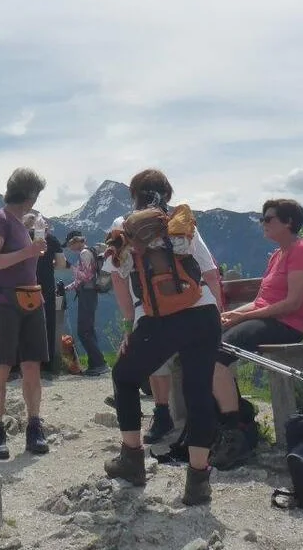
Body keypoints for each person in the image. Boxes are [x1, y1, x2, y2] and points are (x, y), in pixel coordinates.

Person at [102, 169, 224, 506]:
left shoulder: (123, 225)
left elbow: (117, 281)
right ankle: (198, 482)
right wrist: (219, 318)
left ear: (134, 195)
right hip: (203, 313)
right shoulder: (179, 221)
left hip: (160, 320)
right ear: (167, 193)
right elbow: (211, 272)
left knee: (124, 377)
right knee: (199, 391)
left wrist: (130, 327)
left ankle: (131, 461)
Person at [210, 198, 303, 468]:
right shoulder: (277, 255)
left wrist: (243, 316)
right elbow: (262, 301)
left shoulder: (302, 251)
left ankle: (235, 431)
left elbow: (292, 303)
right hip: (269, 321)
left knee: (218, 354)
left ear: (289, 222)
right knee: (206, 344)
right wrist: (231, 315)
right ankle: (241, 418)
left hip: (287, 326)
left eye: (268, 219)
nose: (263, 223)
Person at [0, 168, 52, 459]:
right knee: (2, 365)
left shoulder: (23, 222)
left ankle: (34, 425)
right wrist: (28, 252)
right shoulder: (0, 220)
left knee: (32, 365)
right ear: (30, 194)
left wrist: (33, 250)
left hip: (31, 300)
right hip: (5, 302)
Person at [63, 230, 109, 376]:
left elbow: (87, 276)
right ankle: (94, 364)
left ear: (75, 241)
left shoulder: (84, 253)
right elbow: (79, 280)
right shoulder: (88, 252)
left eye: (70, 245)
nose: (69, 248)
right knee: (88, 329)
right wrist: (66, 288)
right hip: (88, 293)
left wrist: (69, 266)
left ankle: (100, 364)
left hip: (87, 294)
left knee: (83, 331)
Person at [29, 215, 65, 377]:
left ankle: (28, 364)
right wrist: (50, 264)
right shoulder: (52, 239)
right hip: (47, 284)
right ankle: (49, 364)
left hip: (27, 283)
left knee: (27, 322)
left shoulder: (25, 237)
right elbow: (61, 263)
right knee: (48, 322)